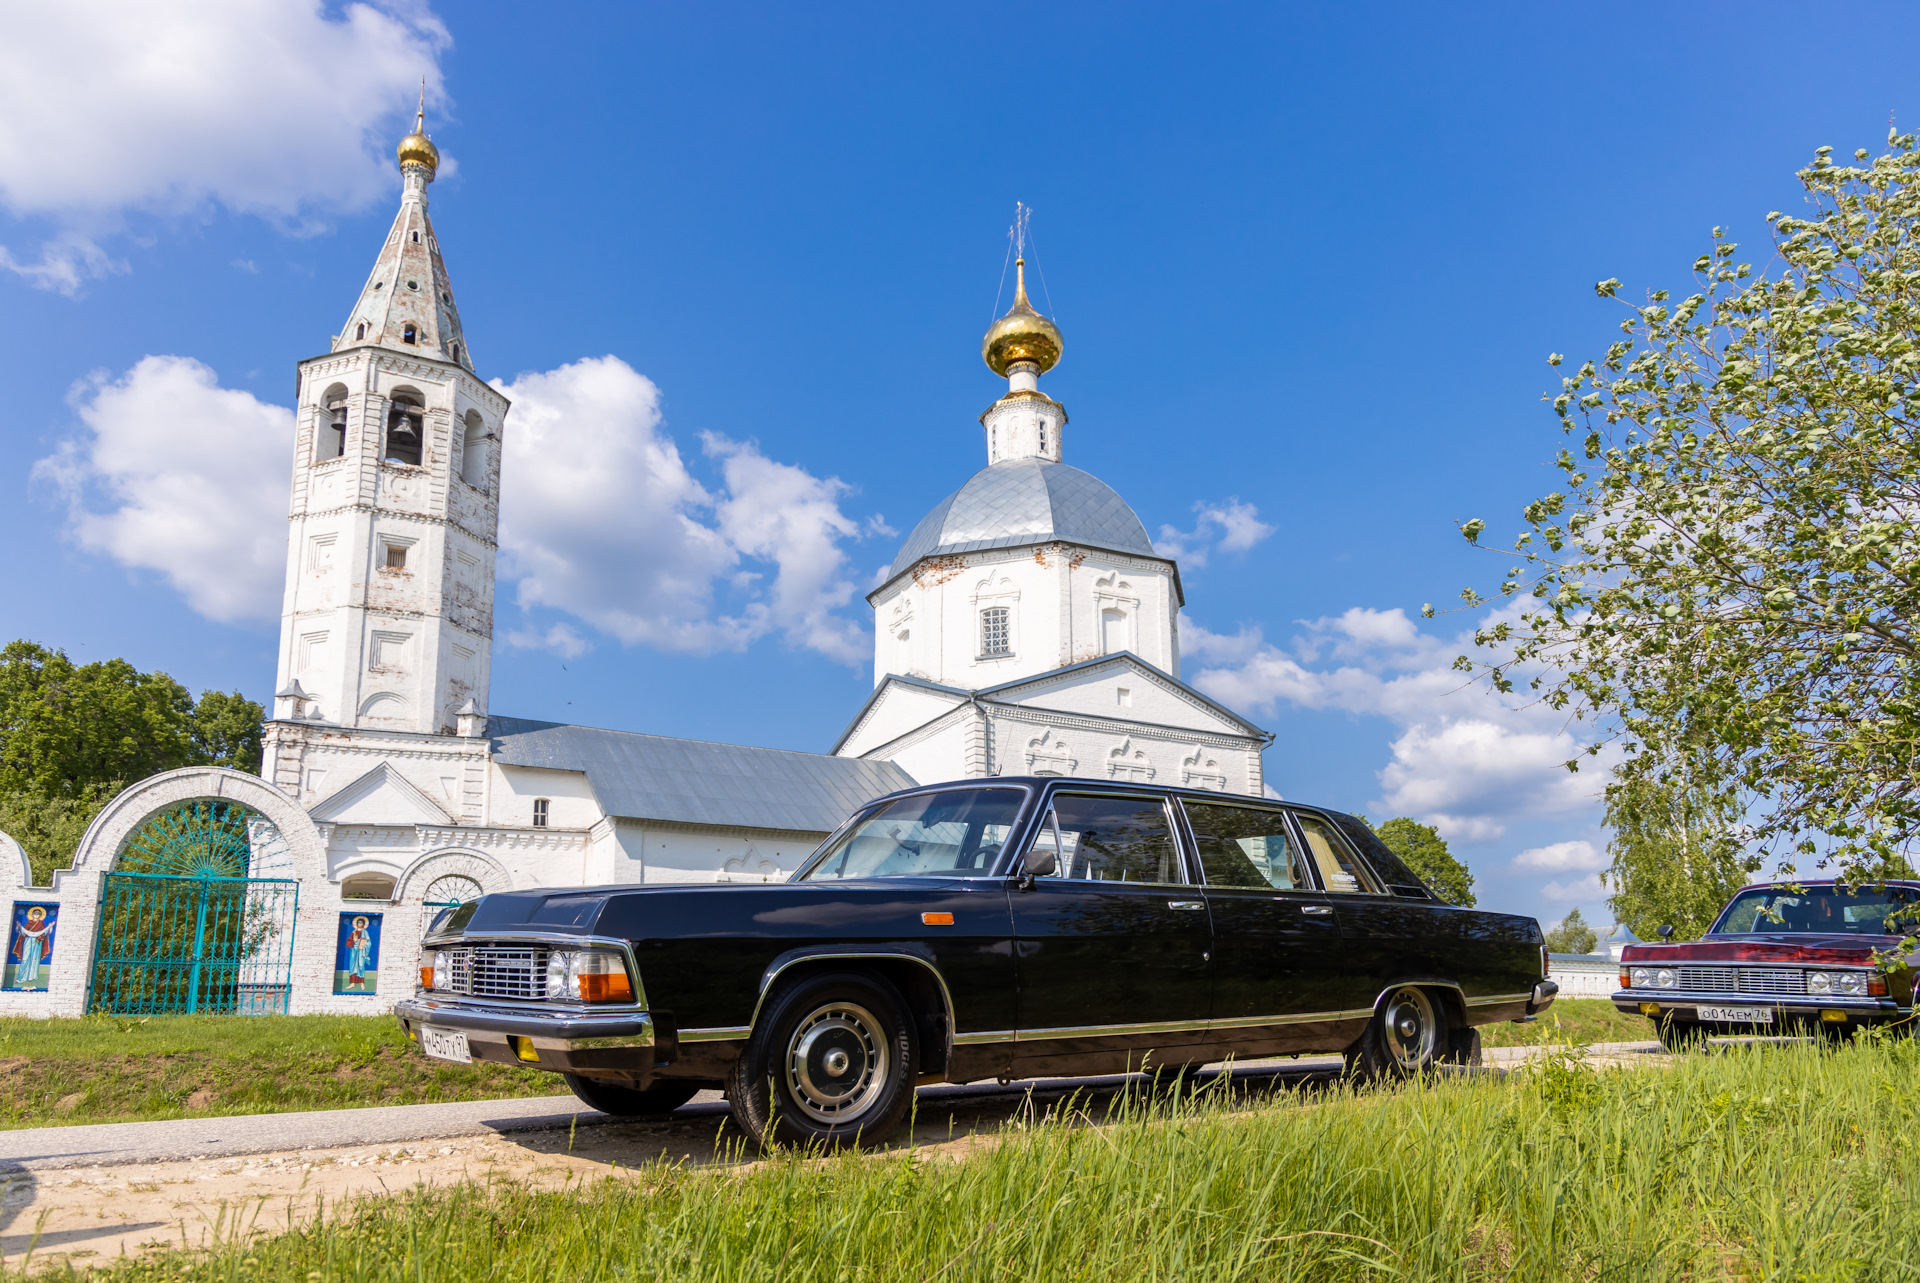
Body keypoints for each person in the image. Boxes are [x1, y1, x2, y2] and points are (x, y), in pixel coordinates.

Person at [11, 907, 52, 988]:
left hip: (37, 943)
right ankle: (20, 978)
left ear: (40, 916)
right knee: (25, 959)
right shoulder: (29, 923)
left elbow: (44, 933)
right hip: (28, 941)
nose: (36, 916)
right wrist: (19, 926)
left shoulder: (41, 924)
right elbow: (23, 933)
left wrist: (49, 927)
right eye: (35, 914)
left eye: (38, 914)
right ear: (32, 915)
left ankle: (31, 977)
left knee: (34, 959)